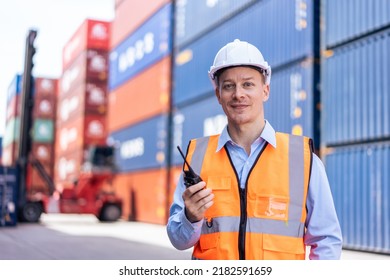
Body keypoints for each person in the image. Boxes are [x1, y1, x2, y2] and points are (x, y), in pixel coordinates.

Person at [166, 39, 342, 260]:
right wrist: (190, 217)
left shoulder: (302, 159)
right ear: (218, 95)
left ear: (265, 91)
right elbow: (178, 240)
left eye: (248, 84)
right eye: (228, 86)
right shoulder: (197, 157)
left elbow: (326, 241)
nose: (238, 94)